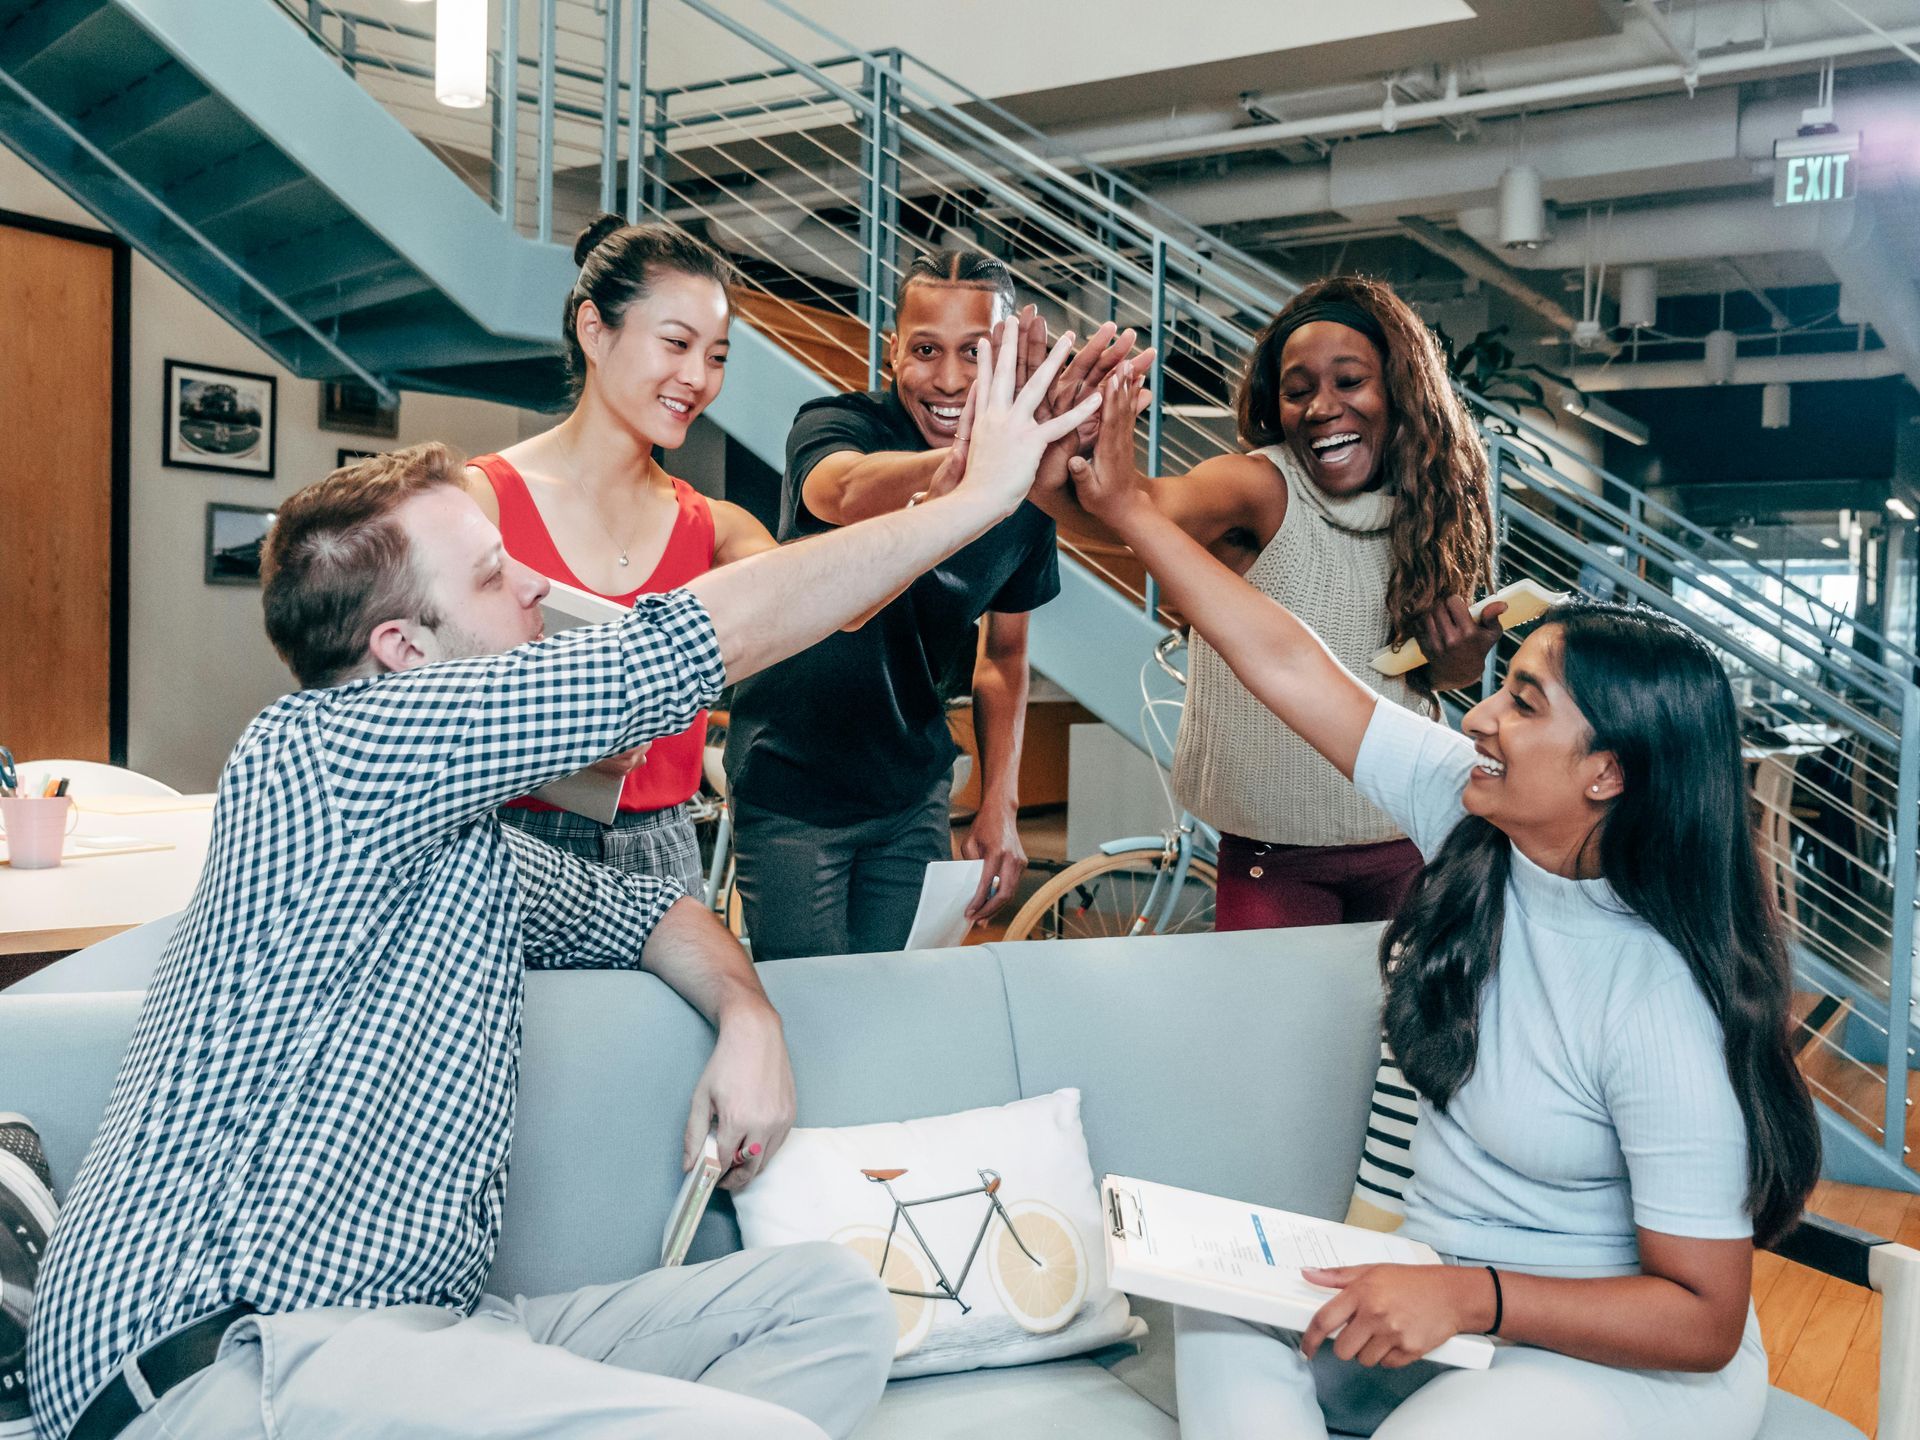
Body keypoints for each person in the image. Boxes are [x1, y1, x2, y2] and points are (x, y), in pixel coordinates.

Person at [26, 320, 1100, 1440]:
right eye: (494, 574)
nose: (535, 590)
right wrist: (976, 498)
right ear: (403, 653)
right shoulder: (326, 750)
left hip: (433, 1340)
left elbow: (649, 908)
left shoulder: (462, 844)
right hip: (226, 1356)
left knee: (830, 1306)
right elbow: (678, 651)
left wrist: (748, 1012)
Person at [1069, 366, 1821, 1440]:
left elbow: (1704, 1316)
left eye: (1523, 701)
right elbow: (1289, 660)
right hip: (1444, 1304)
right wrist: (1133, 509)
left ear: (1608, 773)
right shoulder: (1473, 820)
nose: (1480, 718)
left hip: (1613, 1359)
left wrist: (1471, 1296)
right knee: (1217, 1317)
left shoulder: (1660, 997)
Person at [1034, 275, 1501, 932]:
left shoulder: (1432, 510)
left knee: (1401, 1035)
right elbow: (1135, 512)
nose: (1320, 407)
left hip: (1409, 837)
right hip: (1274, 856)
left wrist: (1460, 661)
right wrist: (1060, 455)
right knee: (1269, 1034)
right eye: (1298, 389)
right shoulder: (1258, 486)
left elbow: (1420, 681)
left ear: (1401, 392)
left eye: (1349, 381)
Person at [722, 250, 1136, 960]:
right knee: (811, 1012)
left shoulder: (1024, 495)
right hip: (793, 788)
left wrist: (999, 803)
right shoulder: (835, 423)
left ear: (1009, 358)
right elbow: (842, 490)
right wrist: (965, 473)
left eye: (976, 354)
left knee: (893, 1007)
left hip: (910, 794)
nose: (948, 380)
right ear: (892, 353)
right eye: (925, 350)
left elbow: (1004, 657)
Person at [466, 216, 779, 895]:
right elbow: (415, 701)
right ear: (594, 331)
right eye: (676, 343)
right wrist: (561, 745)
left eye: (718, 356)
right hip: (510, 846)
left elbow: (825, 604)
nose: (697, 378)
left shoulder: (715, 527)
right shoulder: (479, 502)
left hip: (666, 851)